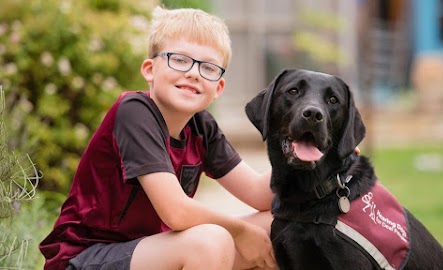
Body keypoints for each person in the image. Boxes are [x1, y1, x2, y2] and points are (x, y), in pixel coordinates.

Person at [39, 6, 277, 270]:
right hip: (85, 257)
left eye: (208, 67)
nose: (194, 73)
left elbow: (260, 193)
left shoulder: (201, 126)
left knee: (279, 225)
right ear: (150, 69)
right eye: (180, 60)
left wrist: (309, 150)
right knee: (210, 240)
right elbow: (176, 212)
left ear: (218, 87)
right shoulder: (134, 112)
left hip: (153, 252)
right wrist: (240, 231)